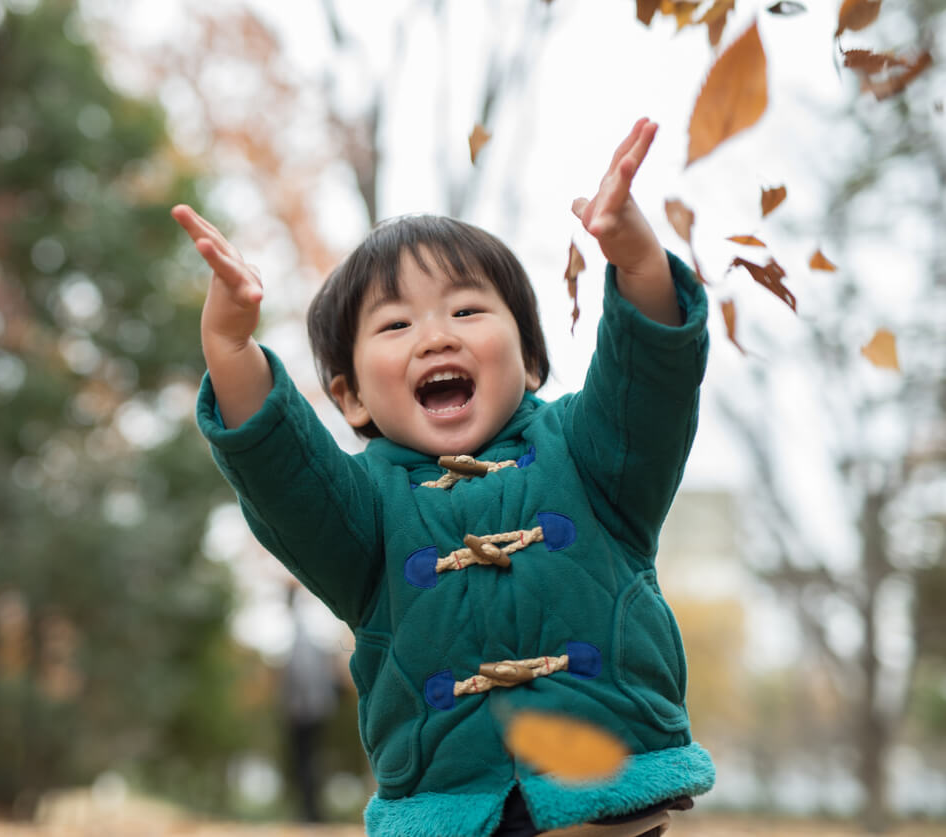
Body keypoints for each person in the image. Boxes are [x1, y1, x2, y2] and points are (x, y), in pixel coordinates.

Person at [173, 118, 714, 836]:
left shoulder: (590, 455)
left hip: (610, 802)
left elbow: (649, 383)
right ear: (351, 397)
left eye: (466, 310)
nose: (436, 335)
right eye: (395, 326)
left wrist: (638, 261)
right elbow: (282, 474)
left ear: (528, 359)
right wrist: (231, 346)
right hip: (457, 815)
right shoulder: (362, 512)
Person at [281, 585, 339, 823]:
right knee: (308, 762)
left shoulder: (301, 632)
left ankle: (311, 814)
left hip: (304, 712)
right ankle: (310, 812)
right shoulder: (304, 631)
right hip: (311, 709)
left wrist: (300, 709)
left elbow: (303, 673)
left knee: (306, 762)